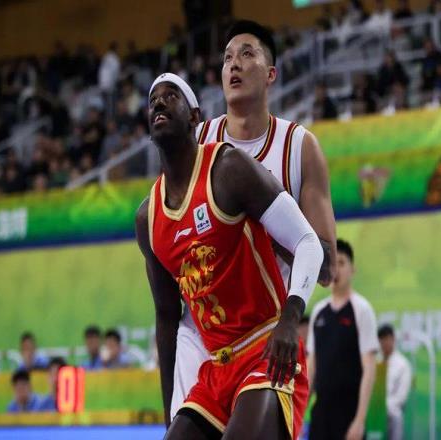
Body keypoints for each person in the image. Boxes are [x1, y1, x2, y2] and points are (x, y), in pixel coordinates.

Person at [136, 73, 324, 439]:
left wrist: (290, 320)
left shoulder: (228, 169)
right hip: (217, 368)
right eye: (153, 99)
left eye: (170, 95)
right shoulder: (149, 218)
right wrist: (170, 412)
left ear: (194, 117)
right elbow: (166, 318)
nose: (158, 101)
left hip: (268, 350)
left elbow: (308, 243)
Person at [173, 19, 337, 421]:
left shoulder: (299, 147)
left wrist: (259, 216)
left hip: (267, 332)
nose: (234, 64)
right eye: (227, 57)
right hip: (203, 335)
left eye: (247, 54)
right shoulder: (198, 142)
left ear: (270, 74)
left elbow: (327, 266)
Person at [307, 239, 378, 440]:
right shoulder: (319, 312)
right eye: (332, 263)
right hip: (321, 414)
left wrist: (359, 420)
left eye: (341, 263)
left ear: (352, 269)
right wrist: (299, 411)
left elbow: (369, 369)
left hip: (349, 414)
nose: (336, 269)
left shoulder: (362, 310)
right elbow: (311, 367)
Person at [378, 324, 412, 440]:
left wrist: (383, 406)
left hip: (392, 412)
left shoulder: (403, 364)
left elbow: (401, 397)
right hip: (374, 412)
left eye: (387, 339)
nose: (384, 343)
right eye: (381, 340)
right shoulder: (375, 362)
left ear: (393, 339)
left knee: (396, 416)